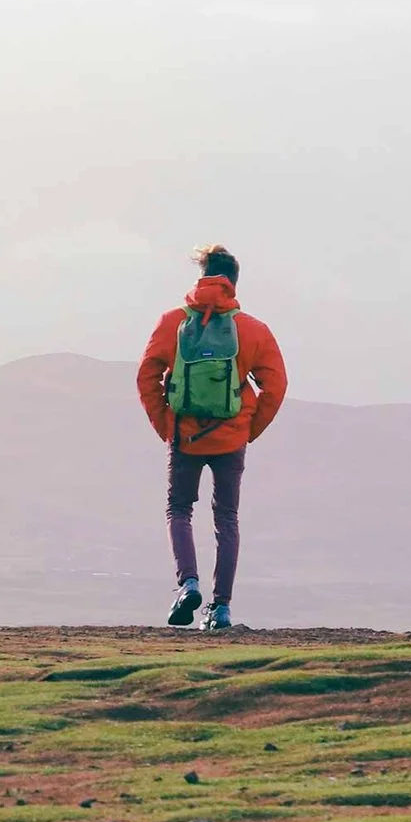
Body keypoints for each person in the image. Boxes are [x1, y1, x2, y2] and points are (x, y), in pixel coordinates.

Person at [135, 245, 287, 630]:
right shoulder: (252, 330)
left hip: (185, 435)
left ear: (201, 277)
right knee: (227, 519)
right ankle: (220, 609)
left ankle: (188, 583)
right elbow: (276, 385)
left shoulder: (172, 323)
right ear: (233, 283)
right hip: (231, 438)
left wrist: (166, 426)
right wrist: (249, 429)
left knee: (180, 509)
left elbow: (146, 376)